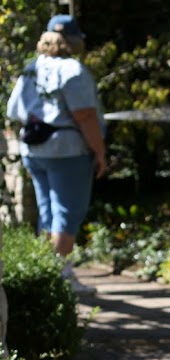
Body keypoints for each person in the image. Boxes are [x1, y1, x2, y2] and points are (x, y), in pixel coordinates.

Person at [6, 14, 107, 296]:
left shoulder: (32, 68)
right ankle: (60, 275)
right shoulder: (72, 70)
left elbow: (14, 110)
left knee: (48, 212)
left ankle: (48, 273)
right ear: (73, 41)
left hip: (34, 149)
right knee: (67, 212)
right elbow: (85, 116)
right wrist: (100, 152)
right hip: (68, 151)